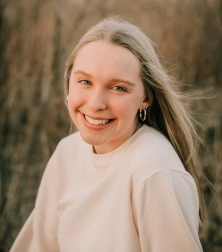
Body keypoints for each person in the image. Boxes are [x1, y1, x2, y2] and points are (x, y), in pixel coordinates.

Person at [10, 17, 204, 251]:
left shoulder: (154, 173)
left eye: (118, 87)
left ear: (145, 98)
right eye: (85, 81)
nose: (95, 103)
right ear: (68, 83)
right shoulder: (67, 153)